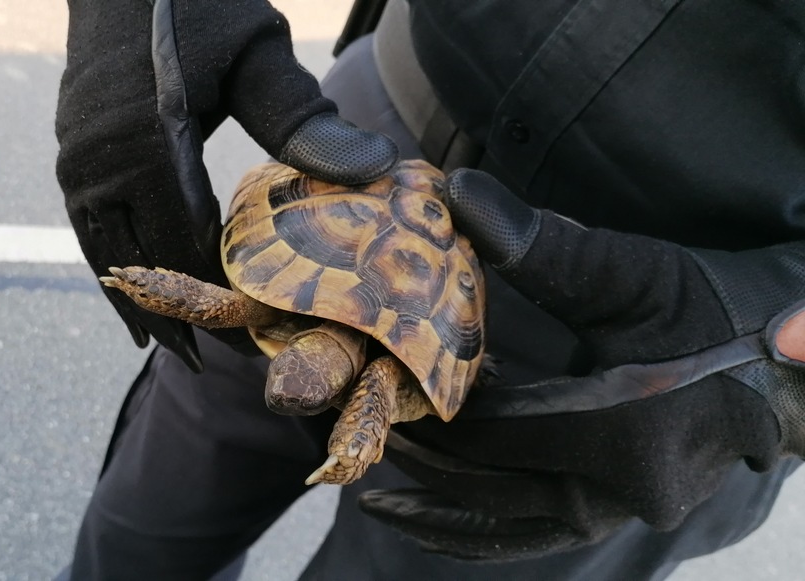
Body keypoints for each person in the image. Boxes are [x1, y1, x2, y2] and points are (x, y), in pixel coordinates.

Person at [54, 0, 805, 578]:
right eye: (299, 378)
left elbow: (368, 369)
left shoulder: (379, 377)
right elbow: (231, 305)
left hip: (664, 335)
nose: (288, 383)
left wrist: (781, 354)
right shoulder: (273, 321)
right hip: (353, 152)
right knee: (134, 541)